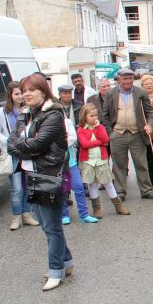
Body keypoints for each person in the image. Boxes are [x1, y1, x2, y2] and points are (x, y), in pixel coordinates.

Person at [7, 74, 74, 291]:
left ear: (43, 92)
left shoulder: (53, 114)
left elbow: (38, 143)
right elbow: (11, 143)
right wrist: (27, 148)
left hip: (49, 175)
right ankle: (67, 261)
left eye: (31, 90)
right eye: (24, 90)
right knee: (46, 225)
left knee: (52, 227)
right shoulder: (24, 115)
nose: (26, 94)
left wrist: (26, 148)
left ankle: (56, 271)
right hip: (31, 174)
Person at [102, 68, 153, 201]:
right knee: (119, 165)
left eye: (130, 78)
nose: (128, 81)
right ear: (119, 79)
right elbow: (105, 115)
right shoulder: (110, 93)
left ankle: (146, 190)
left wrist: (149, 125)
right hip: (117, 133)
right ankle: (120, 192)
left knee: (141, 163)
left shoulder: (140, 92)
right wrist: (110, 133)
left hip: (137, 133)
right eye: (125, 78)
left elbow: (150, 113)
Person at [0, 81, 40, 230]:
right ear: (10, 95)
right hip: (13, 153)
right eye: (16, 93)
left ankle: (27, 215)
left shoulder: (29, 110)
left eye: (21, 93)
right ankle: (16, 217)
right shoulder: (2, 112)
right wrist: (9, 141)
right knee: (16, 188)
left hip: (27, 151)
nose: (20, 96)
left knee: (28, 185)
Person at [76, 104, 130, 217]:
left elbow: (106, 139)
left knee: (108, 183)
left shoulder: (100, 127)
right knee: (93, 185)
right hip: (88, 161)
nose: (94, 118)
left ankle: (119, 207)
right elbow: (85, 144)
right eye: (91, 116)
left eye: (96, 115)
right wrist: (100, 142)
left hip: (101, 160)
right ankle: (97, 209)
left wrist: (99, 128)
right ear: (84, 116)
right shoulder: (81, 129)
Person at [58, 85, 98, 225]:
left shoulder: (68, 122)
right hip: (57, 163)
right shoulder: (49, 126)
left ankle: (84, 214)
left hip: (71, 161)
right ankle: (64, 214)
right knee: (62, 190)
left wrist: (60, 142)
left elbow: (72, 138)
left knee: (79, 188)